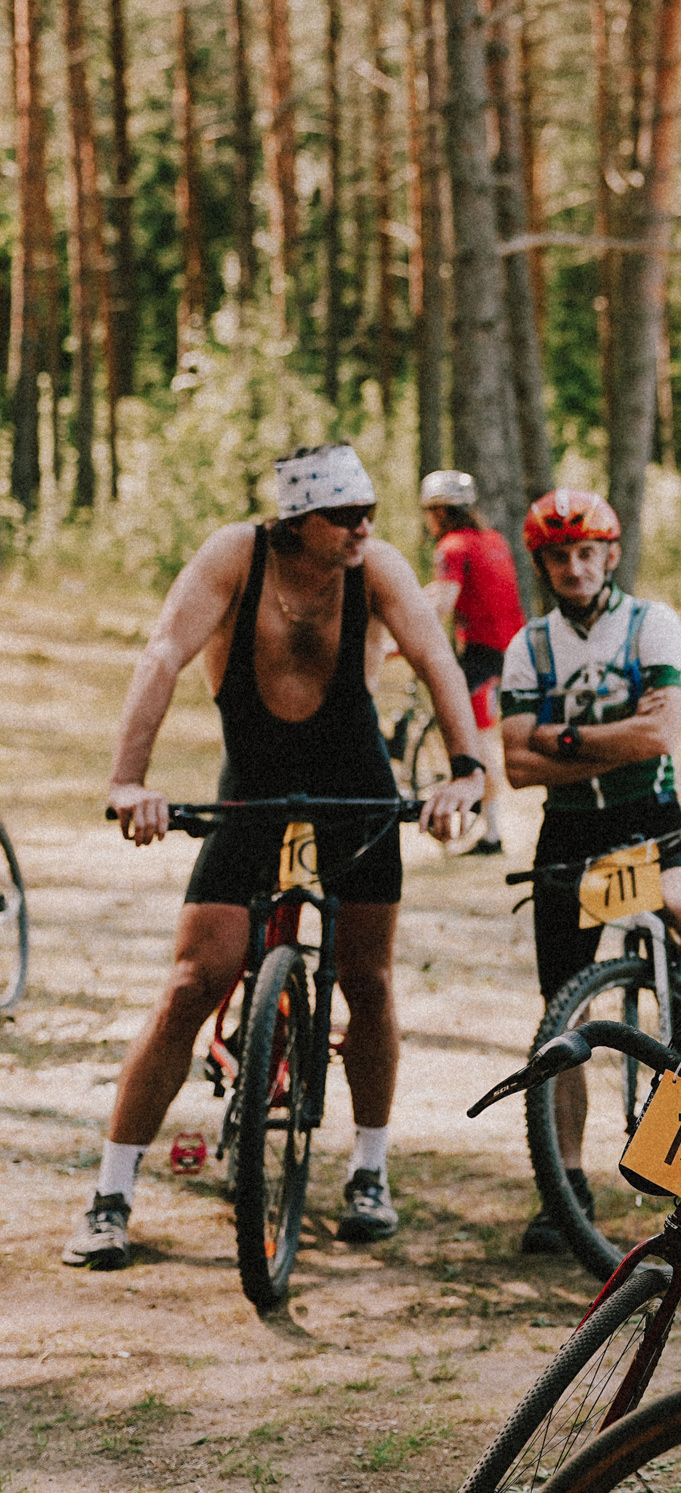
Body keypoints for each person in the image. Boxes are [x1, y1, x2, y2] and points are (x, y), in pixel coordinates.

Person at [67, 445, 488, 1270]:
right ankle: (111, 1193)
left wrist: (466, 773)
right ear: (298, 524)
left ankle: (369, 1170)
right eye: (345, 516)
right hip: (253, 780)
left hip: (354, 780)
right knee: (195, 980)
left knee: (366, 980)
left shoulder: (381, 567)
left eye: (370, 509)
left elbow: (438, 659)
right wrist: (128, 781)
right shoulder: (236, 556)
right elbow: (162, 655)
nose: (365, 526)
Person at [499, 487, 681, 1254]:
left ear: (609, 555)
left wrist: (561, 738)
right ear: (543, 565)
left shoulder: (651, 621)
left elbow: (658, 735)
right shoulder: (528, 646)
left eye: (586, 553)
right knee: (559, 1017)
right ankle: (564, 1183)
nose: (574, 567)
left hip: (646, 823)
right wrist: (611, 734)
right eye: (559, 556)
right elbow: (513, 764)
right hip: (568, 832)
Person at [419, 469, 522, 854]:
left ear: (440, 512)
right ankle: (491, 829)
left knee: (471, 743)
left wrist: (403, 639)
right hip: (509, 652)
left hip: (480, 655)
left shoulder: (452, 547)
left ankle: (487, 830)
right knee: (482, 741)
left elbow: (443, 603)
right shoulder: (492, 540)